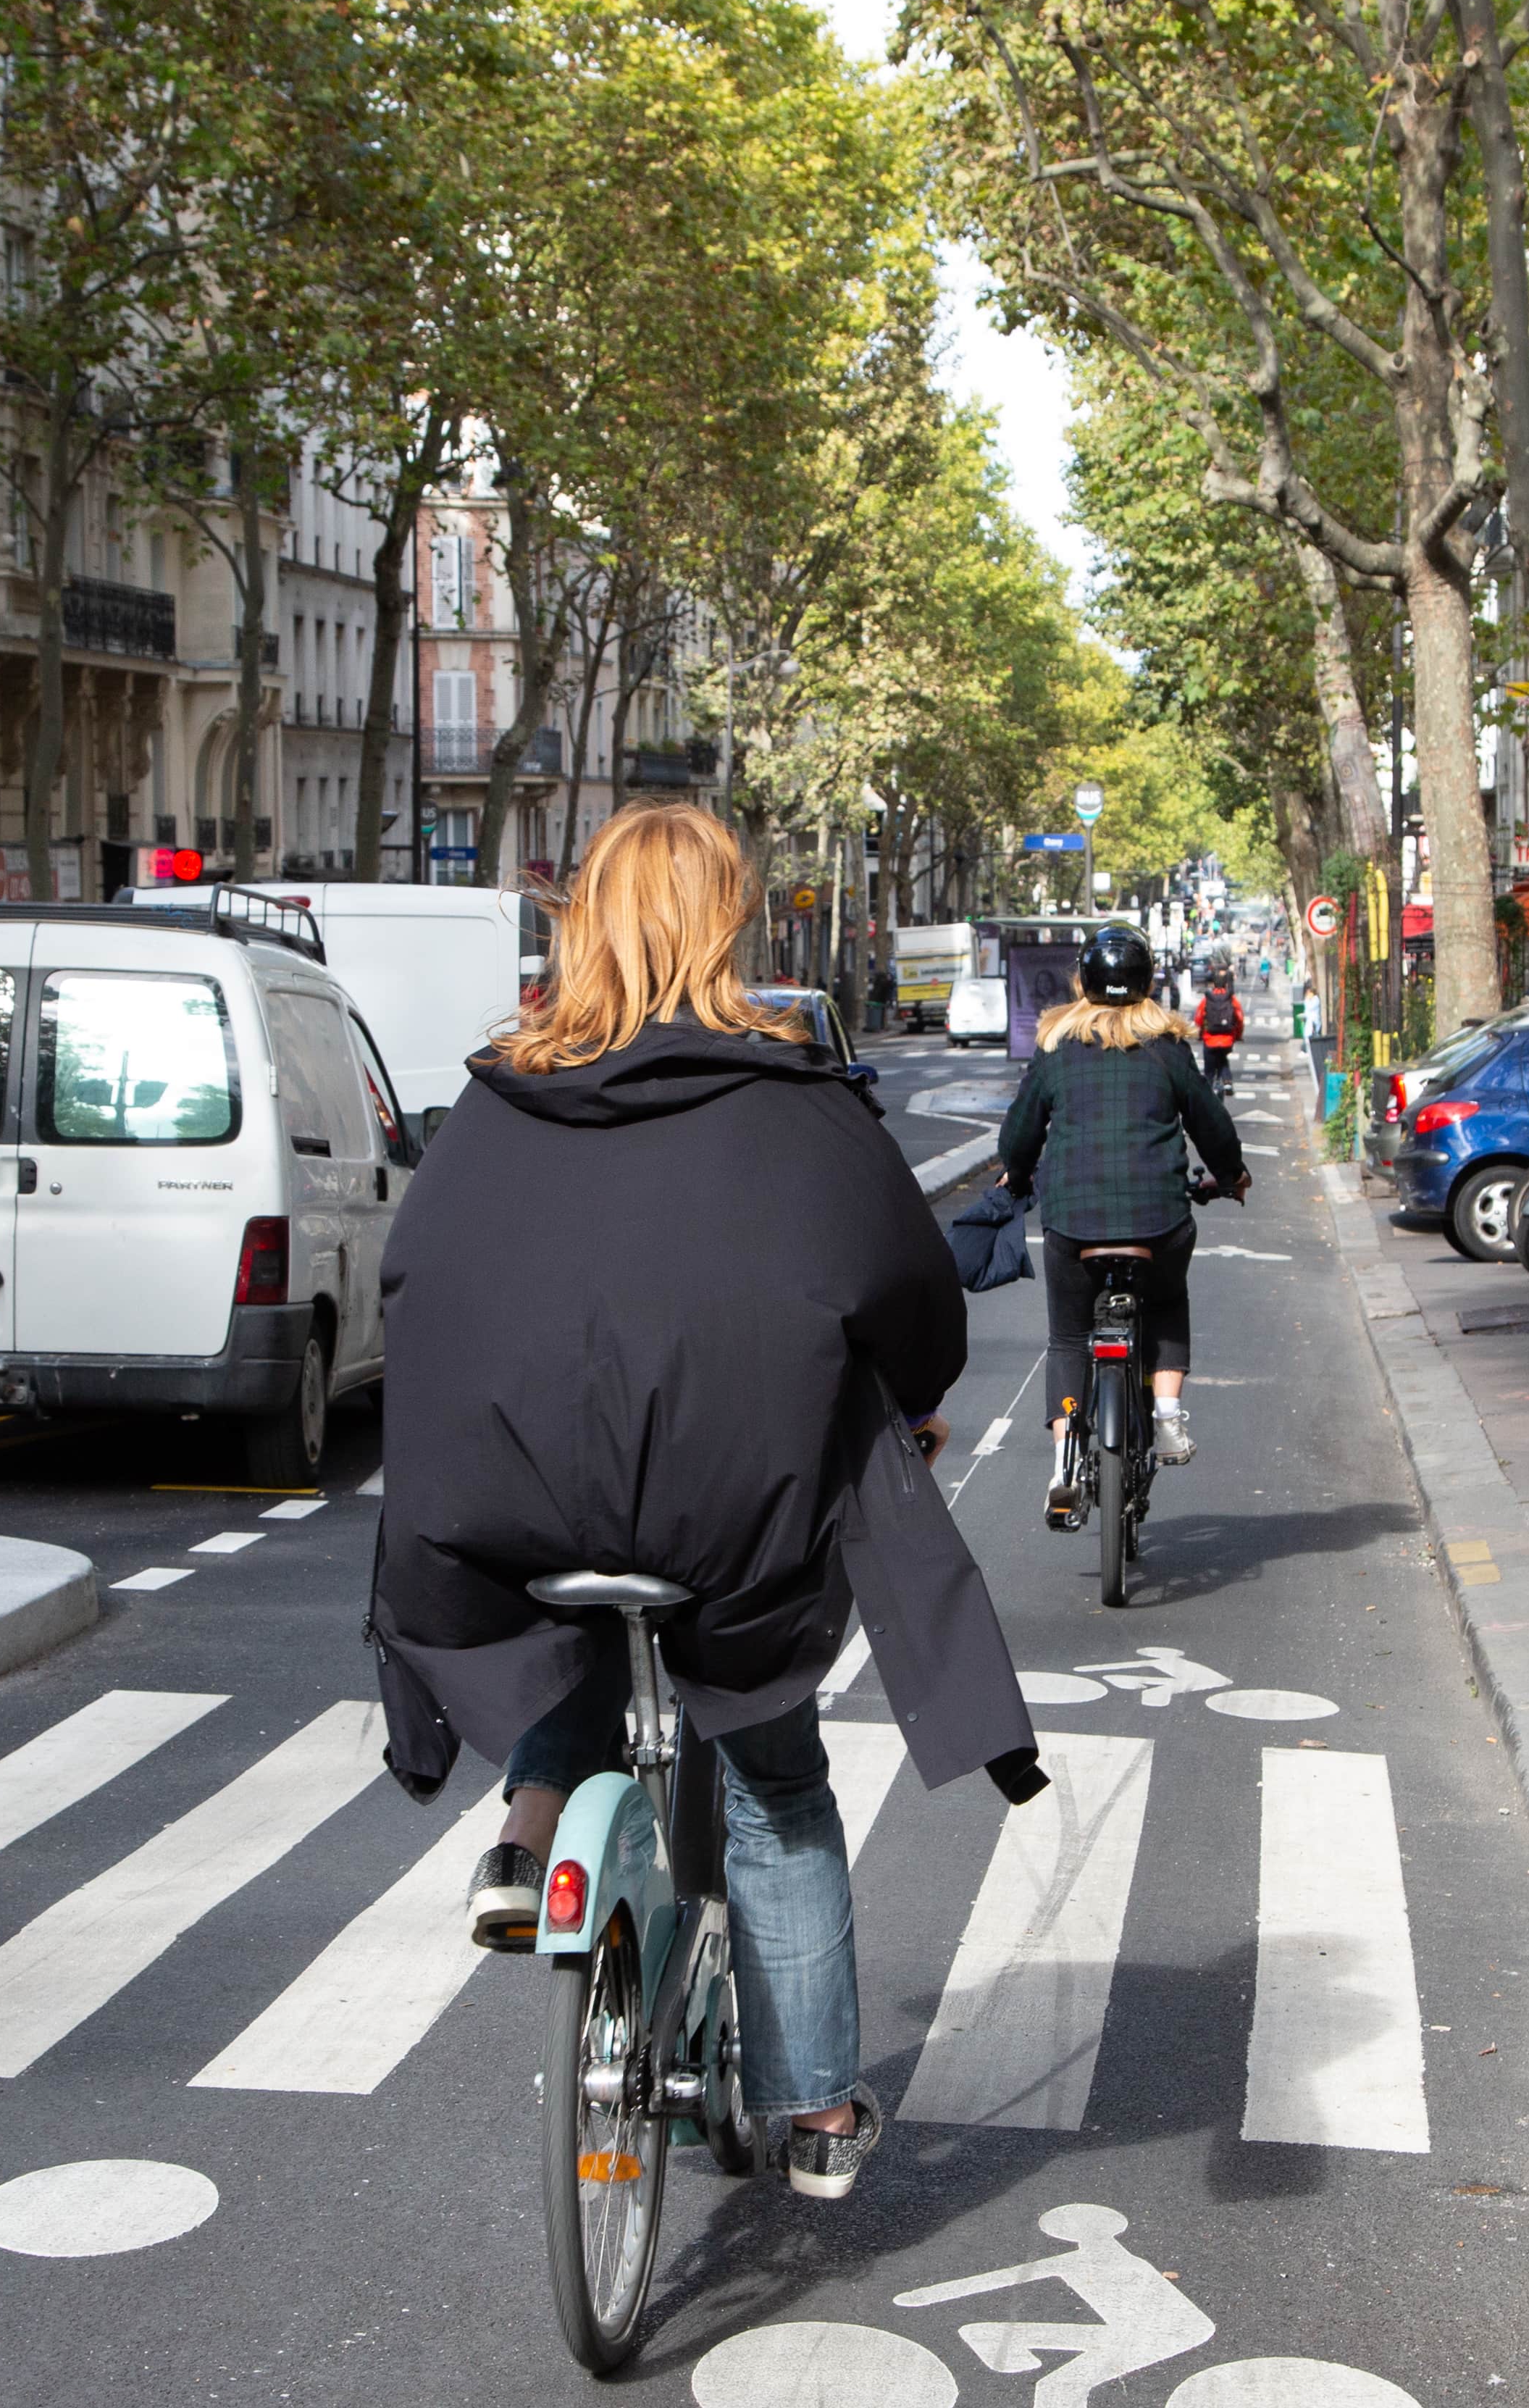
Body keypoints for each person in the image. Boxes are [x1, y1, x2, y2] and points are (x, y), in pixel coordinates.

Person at [373, 804, 996, 2202]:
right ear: (730, 921)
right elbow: (909, 1293)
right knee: (773, 1783)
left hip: (512, 1494)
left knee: (571, 1586)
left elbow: (415, 1279)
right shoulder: (794, 1096)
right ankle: (816, 2107)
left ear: (579, 919)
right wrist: (909, 1398)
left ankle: (526, 1837)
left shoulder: (501, 1088)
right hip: (730, 1514)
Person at [998, 924, 1249, 1528]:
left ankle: (1063, 1466)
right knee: (1166, 1304)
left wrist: (1017, 1173)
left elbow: (1019, 1135)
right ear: (1149, 984)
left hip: (1072, 1226)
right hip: (1157, 1223)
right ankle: (1166, 1417)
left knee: (1068, 1339)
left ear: (1081, 983)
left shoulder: (1057, 1049)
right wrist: (1232, 1176)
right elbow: (1212, 1127)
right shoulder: (1167, 1050)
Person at [1193, 966, 1246, 1087]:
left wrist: (1200, 1033)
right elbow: (1240, 1018)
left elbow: (1199, 1018)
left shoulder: (1207, 999)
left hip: (1210, 1039)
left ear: (1214, 985)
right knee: (1223, 1060)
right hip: (1227, 1039)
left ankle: (1207, 1089)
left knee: (1209, 1068)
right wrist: (1238, 1035)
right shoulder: (1231, 999)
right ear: (1226, 985)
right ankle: (1227, 1081)